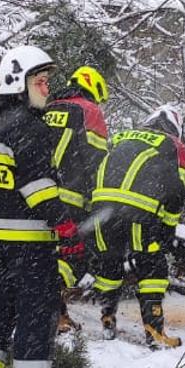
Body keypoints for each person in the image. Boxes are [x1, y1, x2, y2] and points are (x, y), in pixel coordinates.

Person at [0, 45, 74, 368]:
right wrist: (66, 226)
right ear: (19, 84)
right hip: (30, 242)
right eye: (40, 82)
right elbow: (39, 188)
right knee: (36, 311)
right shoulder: (31, 127)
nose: (47, 89)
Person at [88, 105, 185, 348]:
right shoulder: (173, 145)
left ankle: (107, 317)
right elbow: (177, 190)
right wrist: (168, 230)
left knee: (109, 264)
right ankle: (154, 331)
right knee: (152, 266)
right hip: (139, 211)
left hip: (102, 209)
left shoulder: (121, 137)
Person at [43, 65, 111, 332]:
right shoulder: (88, 110)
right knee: (75, 258)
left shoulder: (47, 108)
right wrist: (101, 199)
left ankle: (54, 313)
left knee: (45, 254)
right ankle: (50, 313)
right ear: (94, 88)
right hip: (69, 200)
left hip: (36, 196)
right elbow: (98, 161)